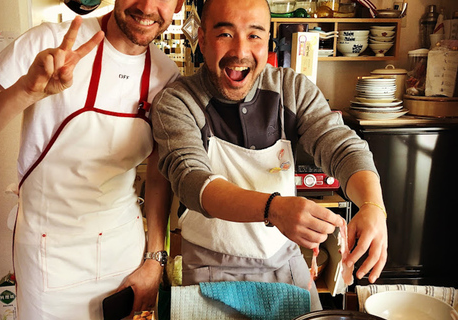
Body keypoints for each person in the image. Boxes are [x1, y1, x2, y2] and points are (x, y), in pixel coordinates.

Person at [151, 0, 388, 311]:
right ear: (202, 40)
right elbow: (191, 180)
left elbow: (341, 145)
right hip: (209, 269)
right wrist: (274, 209)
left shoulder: (291, 90)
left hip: (286, 263)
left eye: (254, 35)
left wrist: (373, 206)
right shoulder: (178, 102)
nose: (240, 51)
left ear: (267, 42)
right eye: (225, 34)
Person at [0, 0, 184, 318]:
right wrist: (26, 90)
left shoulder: (167, 75)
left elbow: (158, 174)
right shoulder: (46, 42)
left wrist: (154, 258)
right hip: (47, 254)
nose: (146, 6)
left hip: (123, 250)